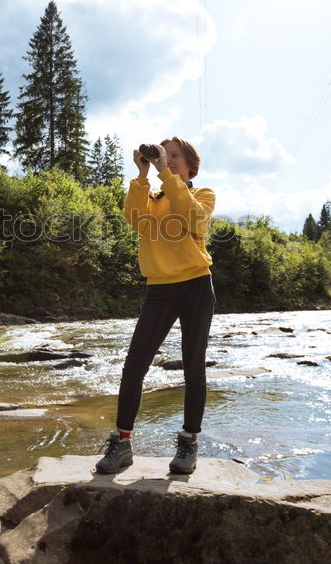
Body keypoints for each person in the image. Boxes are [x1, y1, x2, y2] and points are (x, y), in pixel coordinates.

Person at [95, 136, 216, 475]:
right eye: (165, 155)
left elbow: (194, 220)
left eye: (175, 156)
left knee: (194, 367)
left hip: (195, 285)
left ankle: (189, 443)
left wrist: (166, 175)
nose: (170, 159)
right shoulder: (152, 195)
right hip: (159, 288)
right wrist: (143, 173)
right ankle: (122, 443)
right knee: (134, 366)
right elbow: (133, 218)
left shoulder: (202, 195)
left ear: (190, 163)